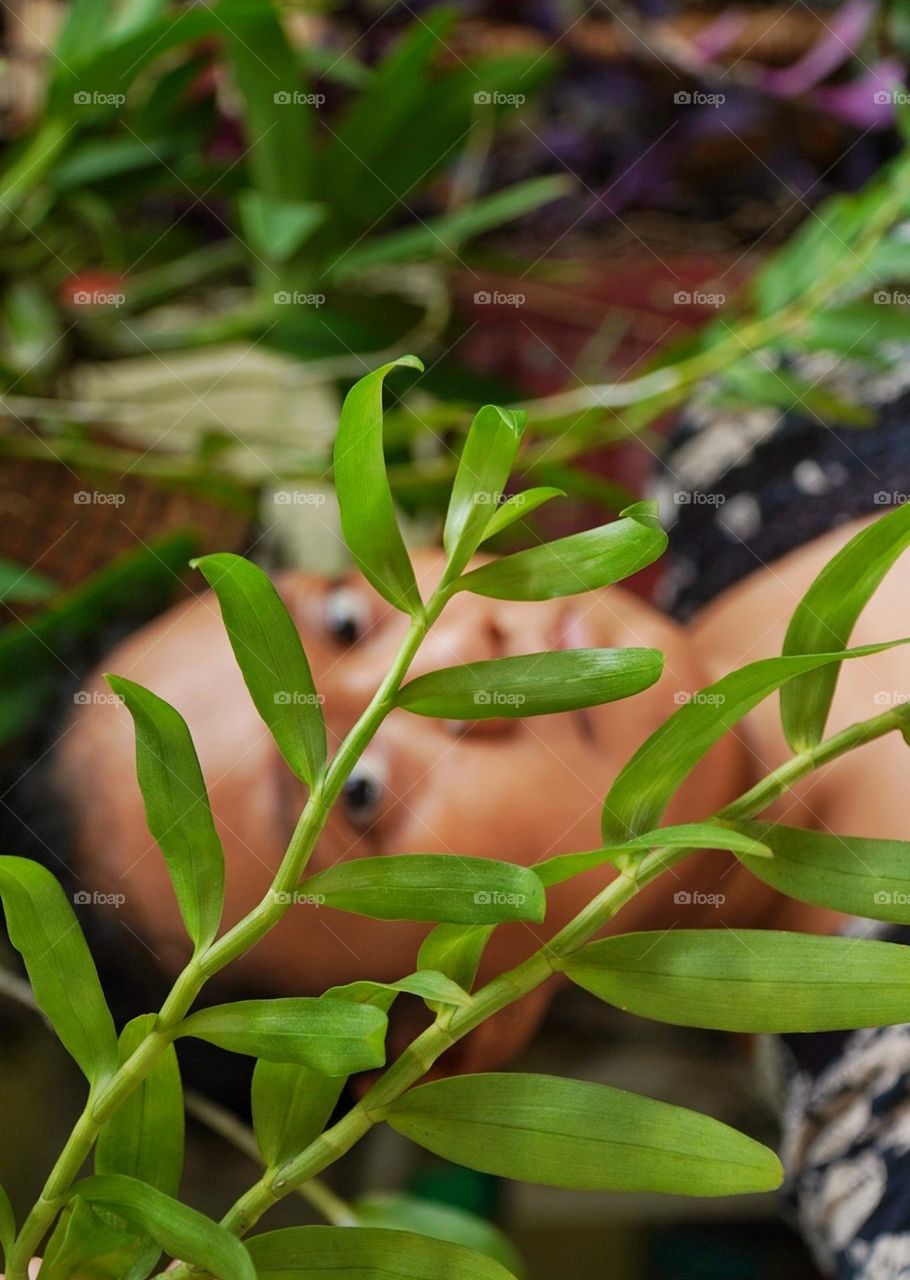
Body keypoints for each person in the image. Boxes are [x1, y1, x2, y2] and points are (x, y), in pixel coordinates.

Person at [50, 395, 910, 1277]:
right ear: (450, 1029)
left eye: (346, 624)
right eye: (360, 792)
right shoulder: (888, 1162)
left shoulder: (751, 447)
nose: (460, 645)